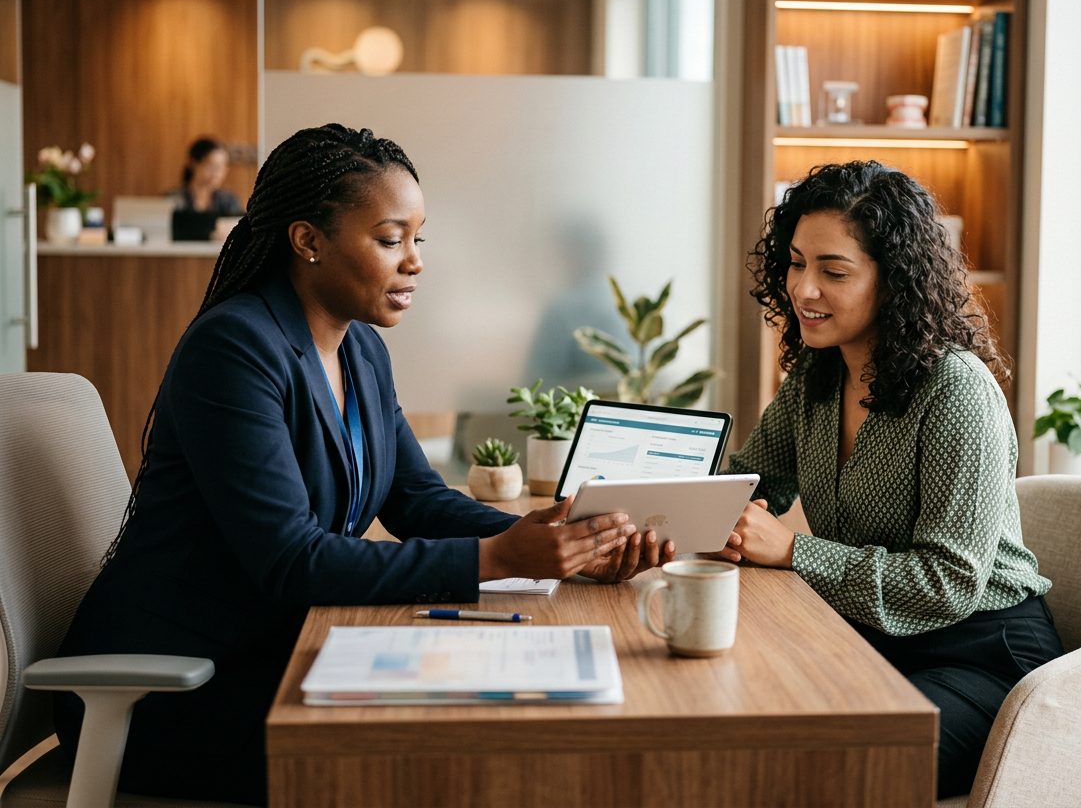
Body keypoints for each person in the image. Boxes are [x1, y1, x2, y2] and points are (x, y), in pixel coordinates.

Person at [54, 124, 675, 805]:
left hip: (275, 650)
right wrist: (501, 559)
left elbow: (412, 497)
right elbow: (291, 560)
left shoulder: (359, 349)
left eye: (418, 238)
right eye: (389, 239)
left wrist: (557, 542)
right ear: (308, 241)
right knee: (438, 758)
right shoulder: (233, 350)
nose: (414, 261)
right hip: (177, 689)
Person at [715, 160, 1064, 799]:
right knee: (733, 722)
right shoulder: (815, 379)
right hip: (871, 638)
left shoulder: (956, 392)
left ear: (895, 280)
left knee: (817, 768)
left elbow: (948, 583)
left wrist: (793, 550)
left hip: (979, 659)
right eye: (796, 263)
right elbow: (745, 484)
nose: (804, 290)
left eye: (834, 272)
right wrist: (636, 503)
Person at [171, 137, 243, 241]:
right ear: (194, 164)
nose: (217, 173)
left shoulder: (229, 200)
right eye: (212, 166)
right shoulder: (174, 199)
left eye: (222, 167)